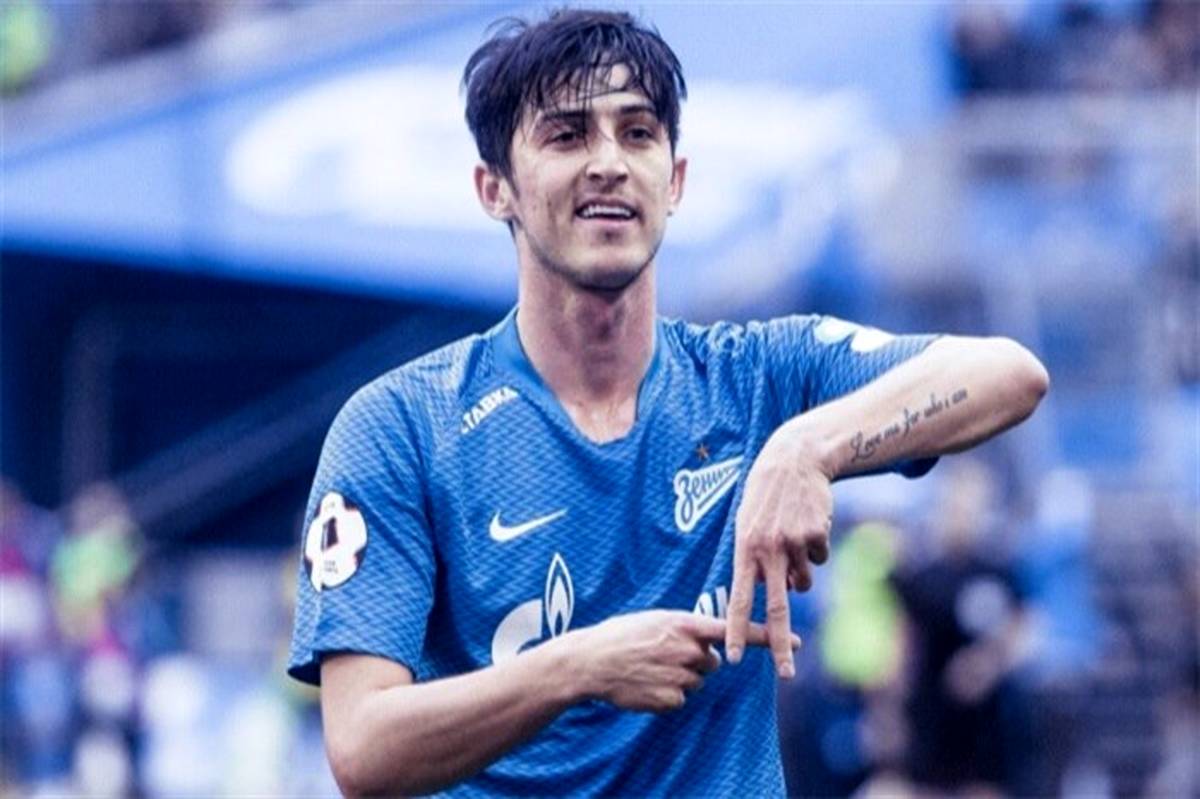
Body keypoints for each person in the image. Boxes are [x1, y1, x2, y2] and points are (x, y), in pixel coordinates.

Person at [287, 9, 1049, 796]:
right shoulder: (402, 426)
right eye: (567, 135)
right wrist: (578, 666)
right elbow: (363, 748)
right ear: (495, 189)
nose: (609, 163)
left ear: (675, 180)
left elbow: (1008, 373)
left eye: (638, 133)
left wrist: (808, 447)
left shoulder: (756, 378)